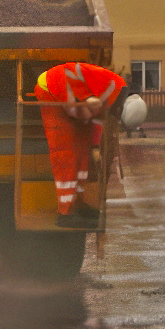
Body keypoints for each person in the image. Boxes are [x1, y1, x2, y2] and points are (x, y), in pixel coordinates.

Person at [34, 60, 128, 228]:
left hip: (70, 95)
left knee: (82, 153)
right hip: (52, 89)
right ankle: (65, 214)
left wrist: (94, 146)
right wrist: (86, 97)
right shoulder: (112, 90)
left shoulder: (116, 94)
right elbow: (71, 74)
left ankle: (77, 204)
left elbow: (98, 119)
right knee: (65, 154)